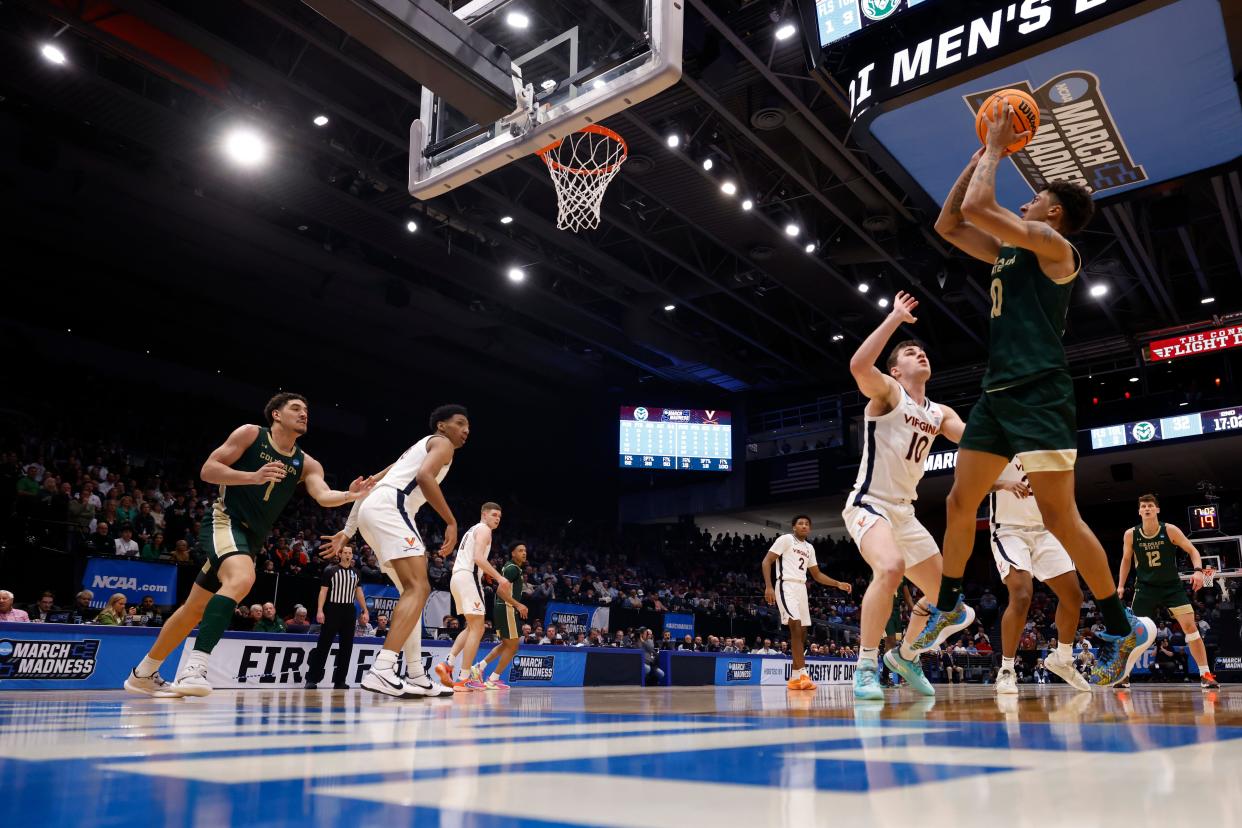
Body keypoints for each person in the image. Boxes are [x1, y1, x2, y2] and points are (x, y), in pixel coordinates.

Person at [918, 101, 1152, 687]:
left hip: (1041, 393)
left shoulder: (1054, 247)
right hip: (996, 393)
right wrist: (977, 159)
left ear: (1051, 209)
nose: (1024, 201)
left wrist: (997, 148)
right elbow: (949, 223)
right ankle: (948, 605)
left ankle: (1124, 629)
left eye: (1033, 196)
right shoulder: (1008, 251)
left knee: (1060, 516)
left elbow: (979, 208)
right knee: (956, 504)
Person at [123, 392, 374, 698]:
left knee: (194, 609)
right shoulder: (251, 434)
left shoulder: (307, 463)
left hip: (251, 539)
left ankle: (143, 673)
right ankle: (195, 668)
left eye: (306, 410)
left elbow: (322, 495)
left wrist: (349, 496)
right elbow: (208, 470)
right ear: (276, 415)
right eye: (296, 408)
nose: (304, 413)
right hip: (225, 522)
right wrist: (252, 476)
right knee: (242, 578)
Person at [840, 293, 967, 701]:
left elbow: (976, 439)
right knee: (891, 567)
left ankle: (906, 656)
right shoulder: (889, 392)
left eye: (923, 352)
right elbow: (859, 366)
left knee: (952, 606)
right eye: (912, 353)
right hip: (869, 502)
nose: (921, 355)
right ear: (896, 369)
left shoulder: (940, 412)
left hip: (904, 513)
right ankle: (865, 665)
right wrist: (894, 318)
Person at [322, 404, 471, 698]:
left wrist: (349, 531)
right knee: (419, 587)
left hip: (373, 510)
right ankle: (383, 667)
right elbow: (426, 478)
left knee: (411, 595)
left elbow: (368, 485)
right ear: (441, 425)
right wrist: (451, 521)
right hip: (393, 508)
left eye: (469, 426)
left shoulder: (412, 452)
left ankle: (415, 674)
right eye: (460, 423)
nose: (466, 430)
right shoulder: (442, 444)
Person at [988, 458, 1090, 694]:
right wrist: (1004, 484)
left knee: (1073, 596)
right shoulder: (997, 444)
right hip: (1008, 529)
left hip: (1045, 530)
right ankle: (1006, 670)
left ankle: (1062, 659)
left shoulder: (1045, 447)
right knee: (1022, 595)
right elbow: (972, 482)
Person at [1116, 494, 1218, 689]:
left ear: (1157, 510)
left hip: (1171, 587)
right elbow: (1126, 560)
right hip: (1145, 588)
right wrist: (1120, 585)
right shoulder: (1131, 534)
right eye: (1143, 506)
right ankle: (1124, 675)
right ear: (1139, 511)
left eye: (1150, 506)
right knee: (1134, 632)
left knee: (1191, 628)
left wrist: (1198, 571)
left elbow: (1193, 551)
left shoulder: (1169, 530)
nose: (1147, 509)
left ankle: (1205, 674)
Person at [761, 515, 852, 691]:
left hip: (801, 589)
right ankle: (803, 674)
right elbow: (767, 561)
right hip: (786, 584)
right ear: (794, 527)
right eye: (800, 523)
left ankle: (795, 678)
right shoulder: (786, 539)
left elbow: (817, 575)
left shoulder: (809, 548)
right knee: (794, 626)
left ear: (809, 529)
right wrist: (769, 587)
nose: (804, 526)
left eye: (807, 524)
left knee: (802, 633)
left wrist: (838, 584)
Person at [432, 503, 513, 690]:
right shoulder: (484, 529)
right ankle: (464, 678)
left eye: (499, 516)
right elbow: (478, 558)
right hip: (468, 577)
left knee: (472, 627)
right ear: (484, 514)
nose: (497, 518)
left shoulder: (472, 530)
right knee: (478, 628)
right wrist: (500, 578)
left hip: (457, 577)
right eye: (494, 515)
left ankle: (447, 664)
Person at [307, 545, 367, 689]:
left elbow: (359, 593)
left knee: (346, 647)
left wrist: (365, 610)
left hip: (349, 611)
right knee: (323, 645)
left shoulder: (356, 572)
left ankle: (340, 680)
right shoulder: (330, 571)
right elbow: (323, 592)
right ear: (340, 555)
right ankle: (312, 679)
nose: (347, 555)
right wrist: (320, 610)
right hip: (332, 609)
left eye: (350, 553)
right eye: (345, 552)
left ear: (352, 555)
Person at [476, 541, 530, 689]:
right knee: (513, 647)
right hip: (507, 608)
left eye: (525, 550)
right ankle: (493, 679)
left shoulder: (512, 567)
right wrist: (518, 605)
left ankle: (479, 667)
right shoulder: (513, 569)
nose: (524, 553)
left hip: (503, 608)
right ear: (513, 553)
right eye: (520, 550)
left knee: (506, 644)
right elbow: (500, 591)